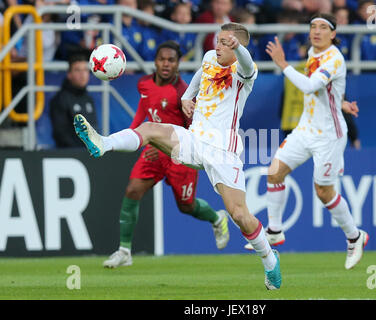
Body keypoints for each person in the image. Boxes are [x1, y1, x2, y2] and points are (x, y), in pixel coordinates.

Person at [74, 23, 282, 290]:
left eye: (224, 42)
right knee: (148, 128)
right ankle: (103, 143)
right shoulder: (210, 58)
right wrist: (186, 96)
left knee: (240, 215)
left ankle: (269, 259)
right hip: (193, 139)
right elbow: (199, 73)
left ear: (236, 46)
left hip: (223, 151)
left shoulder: (243, 73)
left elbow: (249, 63)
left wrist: (238, 46)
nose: (217, 46)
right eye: (217, 40)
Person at [257, 13, 368, 270]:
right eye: (313, 27)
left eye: (323, 27)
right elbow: (323, 90)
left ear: (333, 34)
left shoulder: (334, 58)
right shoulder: (312, 53)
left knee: (323, 192)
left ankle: (354, 236)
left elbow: (309, 87)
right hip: (306, 128)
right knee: (274, 172)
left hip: (329, 136)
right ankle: (274, 231)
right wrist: (340, 101)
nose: (316, 31)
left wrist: (283, 64)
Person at [103, 41, 229, 268]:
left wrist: (166, 143)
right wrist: (135, 138)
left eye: (171, 60)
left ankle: (217, 218)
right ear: (155, 61)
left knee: (186, 206)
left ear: (178, 63)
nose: (166, 64)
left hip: (180, 155)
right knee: (132, 190)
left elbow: (195, 128)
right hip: (152, 152)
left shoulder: (183, 92)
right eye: (162, 59)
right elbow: (142, 114)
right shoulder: (144, 84)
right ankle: (124, 251)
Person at [50, 55, 98, 148]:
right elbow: (60, 133)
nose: (82, 74)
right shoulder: (60, 100)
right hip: (70, 154)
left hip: (90, 152)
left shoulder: (89, 99)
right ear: (69, 74)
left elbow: (94, 128)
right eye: (77, 70)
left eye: (85, 70)